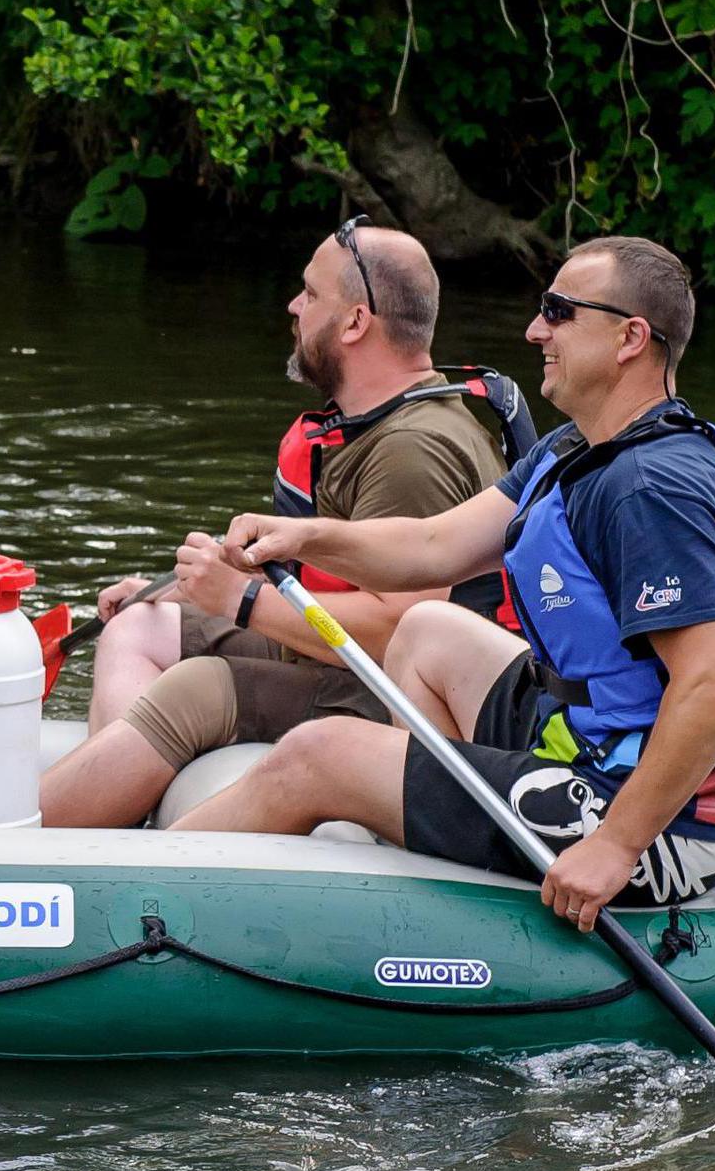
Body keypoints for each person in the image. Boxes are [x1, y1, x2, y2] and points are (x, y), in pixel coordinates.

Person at [176, 235, 715, 928]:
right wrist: (305, 535)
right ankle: (451, 854)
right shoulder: (577, 446)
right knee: (425, 632)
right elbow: (434, 544)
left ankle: (136, 885)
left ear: (630, 337)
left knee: (315, 754)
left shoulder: (650, 489)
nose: (535, 329)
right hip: (596, 736)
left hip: (662, 819)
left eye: (559, 312)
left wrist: (614, 845)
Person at [40, 217, 523, 828]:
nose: (293, 306)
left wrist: (239, 602)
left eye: (311, 293)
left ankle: (30, 854)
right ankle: (118, 800)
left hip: (399, 698)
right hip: (340, 659)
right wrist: (199, 594)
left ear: (355, 323)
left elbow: (393, 634)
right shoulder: (368, 424)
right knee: (142, 621)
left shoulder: (413, 451)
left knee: (201, 689)